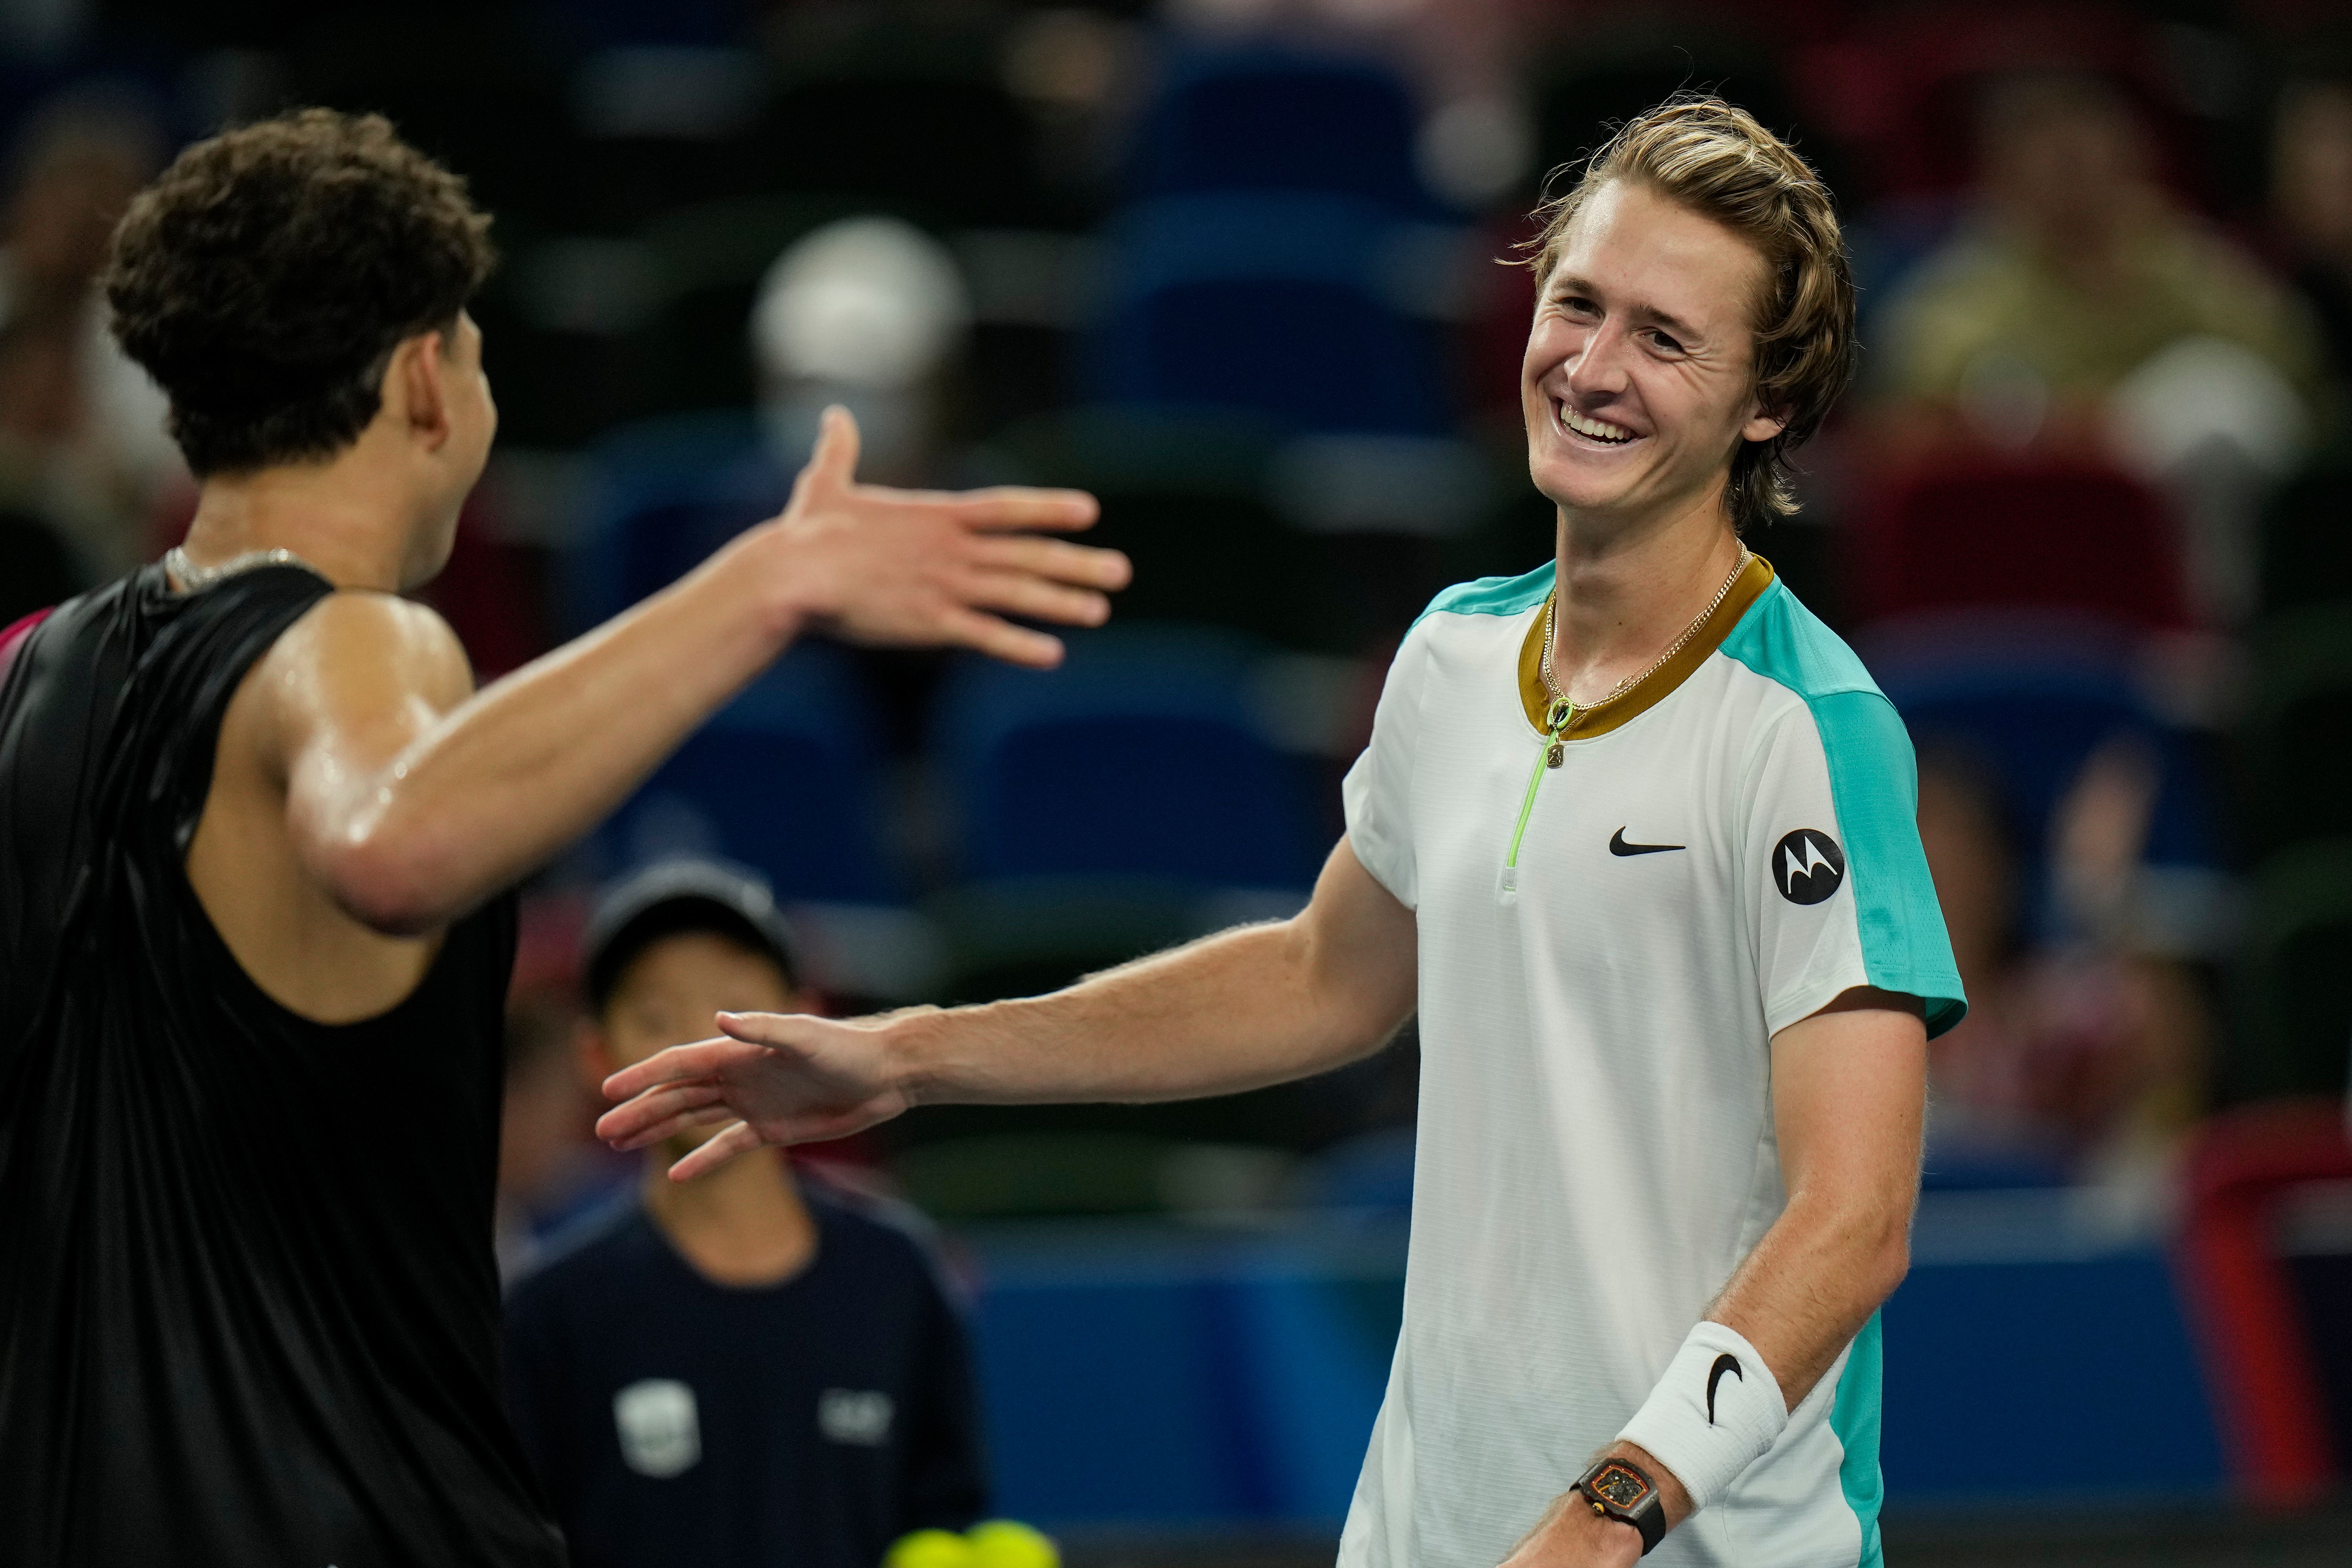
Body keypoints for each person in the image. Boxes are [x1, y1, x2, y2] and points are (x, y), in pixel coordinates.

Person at [602, 96, 1964, 1568]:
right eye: (1578, 304)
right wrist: (903, 1057)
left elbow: (1855, 1219)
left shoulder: (1809, 731)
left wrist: (1609, 1512)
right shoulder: (1451, 660)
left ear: (1768, 402)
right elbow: (1325, 978)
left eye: (1666, 338)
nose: (1592, 367)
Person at [0, 109, 1123, 1567]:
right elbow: (391, 838)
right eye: (474, 354)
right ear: (423, 381)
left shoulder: (28, 670)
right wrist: (767, 585)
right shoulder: (356, 647)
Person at [506, 859, 987, 1568]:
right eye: (655, 1017)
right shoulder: (551, 1311)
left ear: (808, 1025)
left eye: (733, 1010)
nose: (699, 1050)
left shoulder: (898, 1276)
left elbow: (951, 1520)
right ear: (597, 1053)